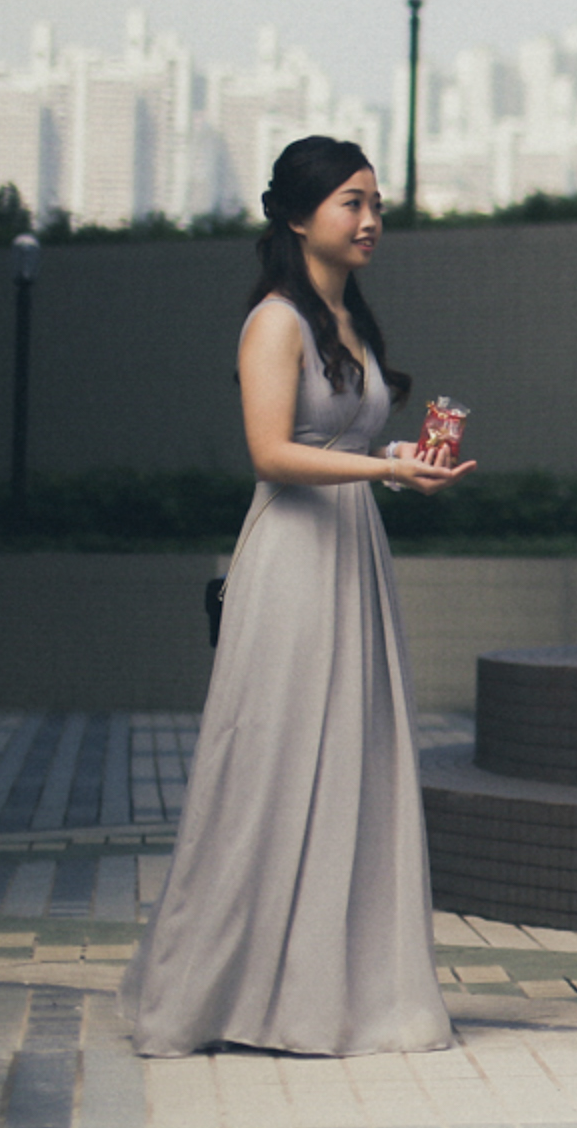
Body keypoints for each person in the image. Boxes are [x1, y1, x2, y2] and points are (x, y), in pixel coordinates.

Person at [122, 137, 474, 1058]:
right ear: (295, 215)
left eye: (376, 203)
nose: (371, 220)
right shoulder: (275, 321)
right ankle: (204, 996)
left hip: (353, 554)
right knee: (269, 767)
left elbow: (343, 439)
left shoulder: (348, 318)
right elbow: (272, 454)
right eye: (352, 202)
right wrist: (383, 471)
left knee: (355, 763)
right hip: (290, 559)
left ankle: (332, 995)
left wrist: (399, 457)